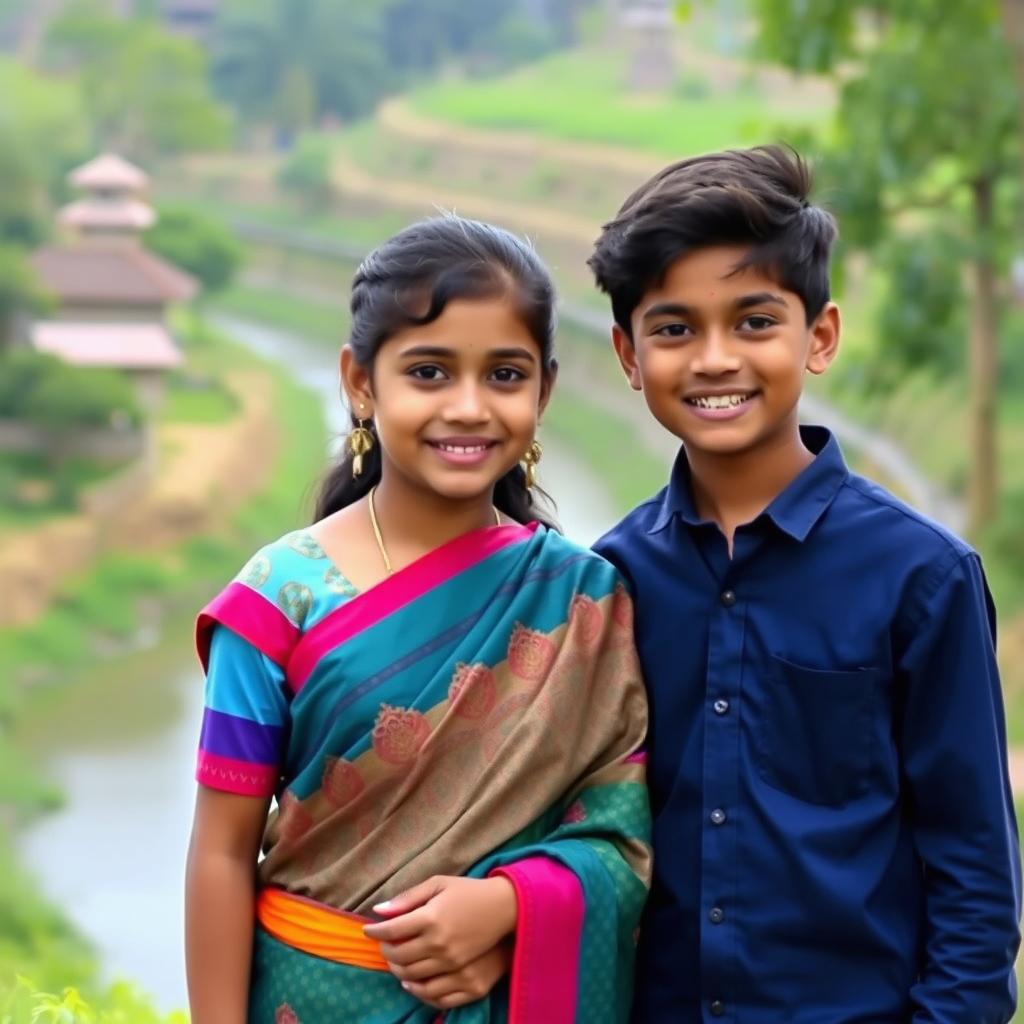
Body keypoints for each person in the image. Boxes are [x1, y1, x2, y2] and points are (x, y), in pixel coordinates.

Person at [588, 145, 1021, 1022]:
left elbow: (975, 878)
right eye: (674, 329)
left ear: (818, 336)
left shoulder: (922, 577)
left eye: (754, 322)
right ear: (629, 356)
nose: (714, 359)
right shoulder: (611, 578)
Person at [184, 215, 651, 1024]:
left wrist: (510, 910)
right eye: (429, 372)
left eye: (504, 376)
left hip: (498, 998)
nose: (468, 408)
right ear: (361, 383)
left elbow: (621, 838)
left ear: (544, 389)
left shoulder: (582, 600)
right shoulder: (279, 597)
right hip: (306, 1001)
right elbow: (222, 851)